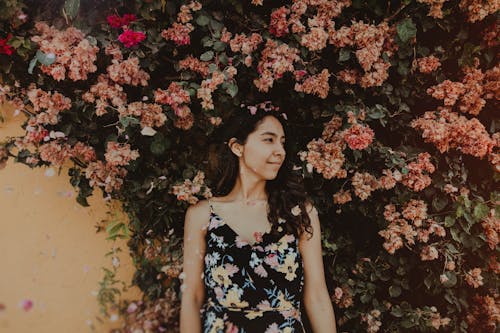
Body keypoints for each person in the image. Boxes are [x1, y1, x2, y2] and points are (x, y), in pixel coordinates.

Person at [180, 105, 337, 333]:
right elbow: (192, 298)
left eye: (282, 142)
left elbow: (317, 298)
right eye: (269, 140)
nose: (280, 150)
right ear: (237, 147)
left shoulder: (298, 213)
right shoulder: (202, 215)